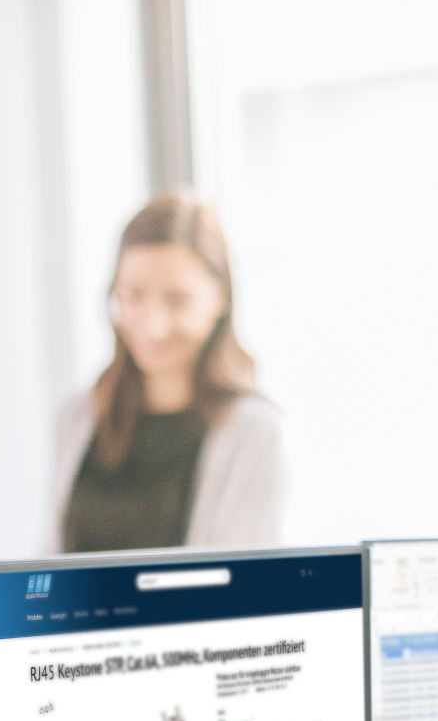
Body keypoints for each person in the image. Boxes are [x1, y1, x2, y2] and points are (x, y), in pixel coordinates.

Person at [51, 192, 286, 553]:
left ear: (220, 298)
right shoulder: (78, 416)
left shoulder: (252, 432)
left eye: (177, 301)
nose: (154, 326)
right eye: (133, 294)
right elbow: (47, 563)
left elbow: (239, 587)